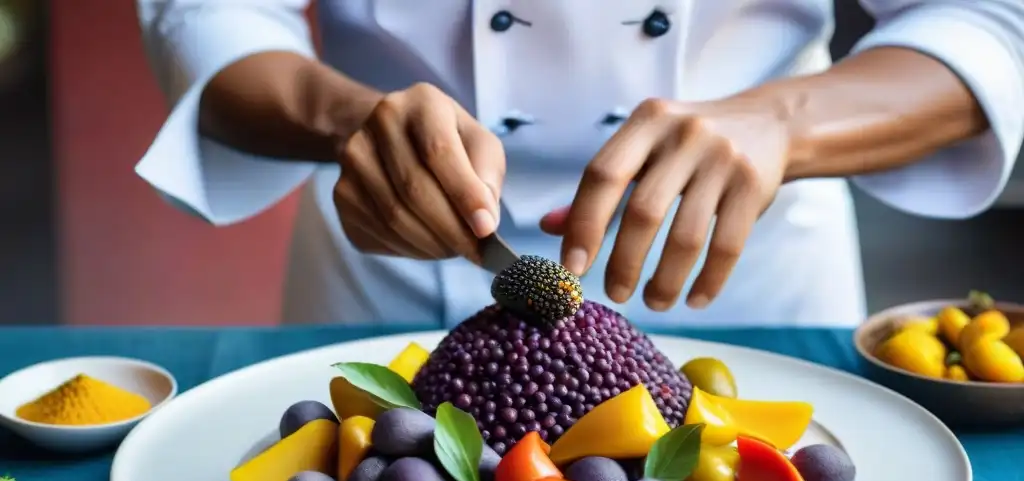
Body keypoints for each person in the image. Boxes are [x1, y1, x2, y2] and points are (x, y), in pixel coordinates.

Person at [135, 1, 1024, 328]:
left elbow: (988, 19)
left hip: (746, 281)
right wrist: (348, 123)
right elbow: (211, 12)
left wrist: (784, 122)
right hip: (396, 267)